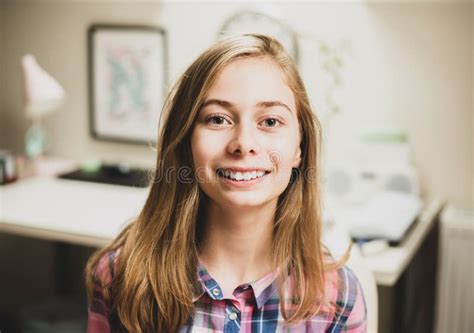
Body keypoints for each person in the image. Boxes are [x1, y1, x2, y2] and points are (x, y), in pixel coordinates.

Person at [85, 34, 367, 333]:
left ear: (300, 147)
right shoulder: (120, 277)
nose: (244, 144)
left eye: (270, 121)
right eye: (218, 119)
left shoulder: (339, 298)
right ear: (185, 143)